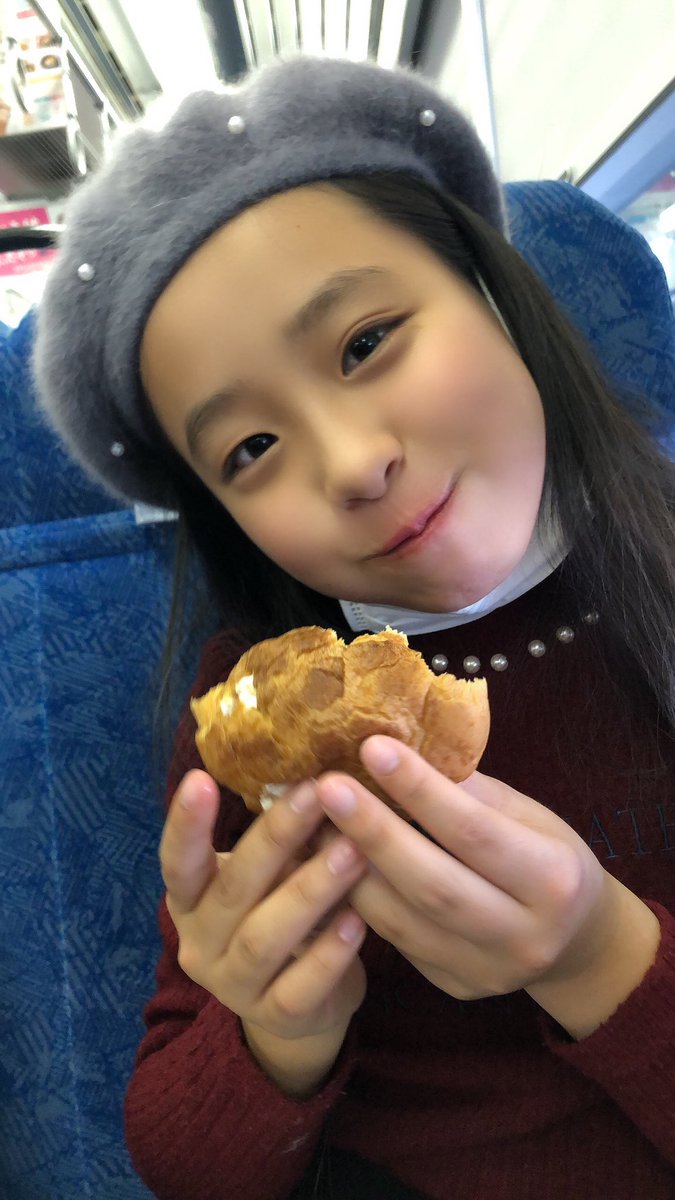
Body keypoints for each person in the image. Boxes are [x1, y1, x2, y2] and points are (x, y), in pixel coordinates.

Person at [32, 55, 674, 1200]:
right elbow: (181, 1153)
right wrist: (276, 1034)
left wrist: (599, 958)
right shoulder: (250, 720)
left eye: (368, 343)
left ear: (490, 290)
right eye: (250, 450)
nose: (354, 464)